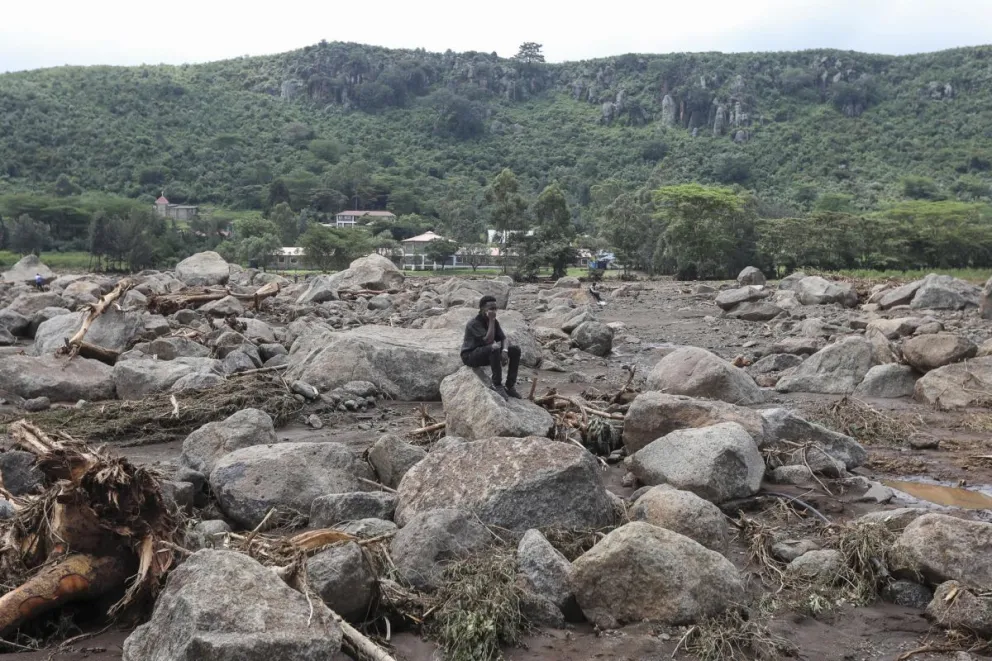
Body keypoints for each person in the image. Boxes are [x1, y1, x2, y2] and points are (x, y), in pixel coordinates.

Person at [460, 295, 522, 400]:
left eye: (495, 308)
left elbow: (503, 338)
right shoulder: (474, 323)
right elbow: (488, 341)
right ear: (482, 309)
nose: (494, 311)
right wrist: (492, 321)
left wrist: (505, 351)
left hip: (486, 353)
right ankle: (497, 384)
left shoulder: (494, 321)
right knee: (494, 347)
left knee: (515, 349)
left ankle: (509, 386)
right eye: (491, 308)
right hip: (470, 355)